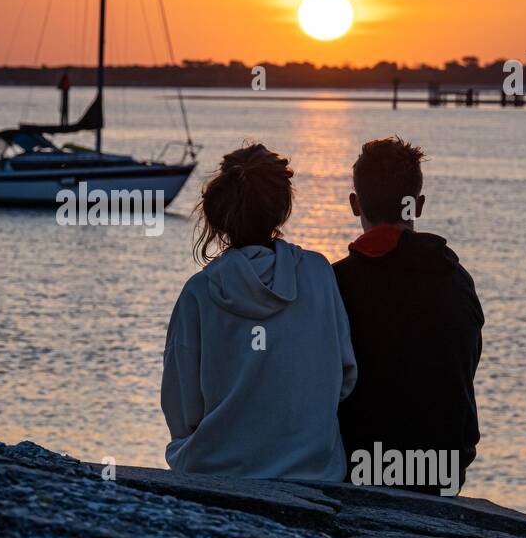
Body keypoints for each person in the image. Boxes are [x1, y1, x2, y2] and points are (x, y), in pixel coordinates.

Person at [161, 144, 357, 482]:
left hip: (216, 468)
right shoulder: (319, 273)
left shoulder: (199, 292)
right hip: (314, 472)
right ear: (282, 210)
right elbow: (344, 379)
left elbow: (181, 412)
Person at [332, 136, 483, 495]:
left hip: (359, 464)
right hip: (440, 468)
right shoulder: (456, 281)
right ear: (417, 205)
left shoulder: (335, 284)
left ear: (355, 204)